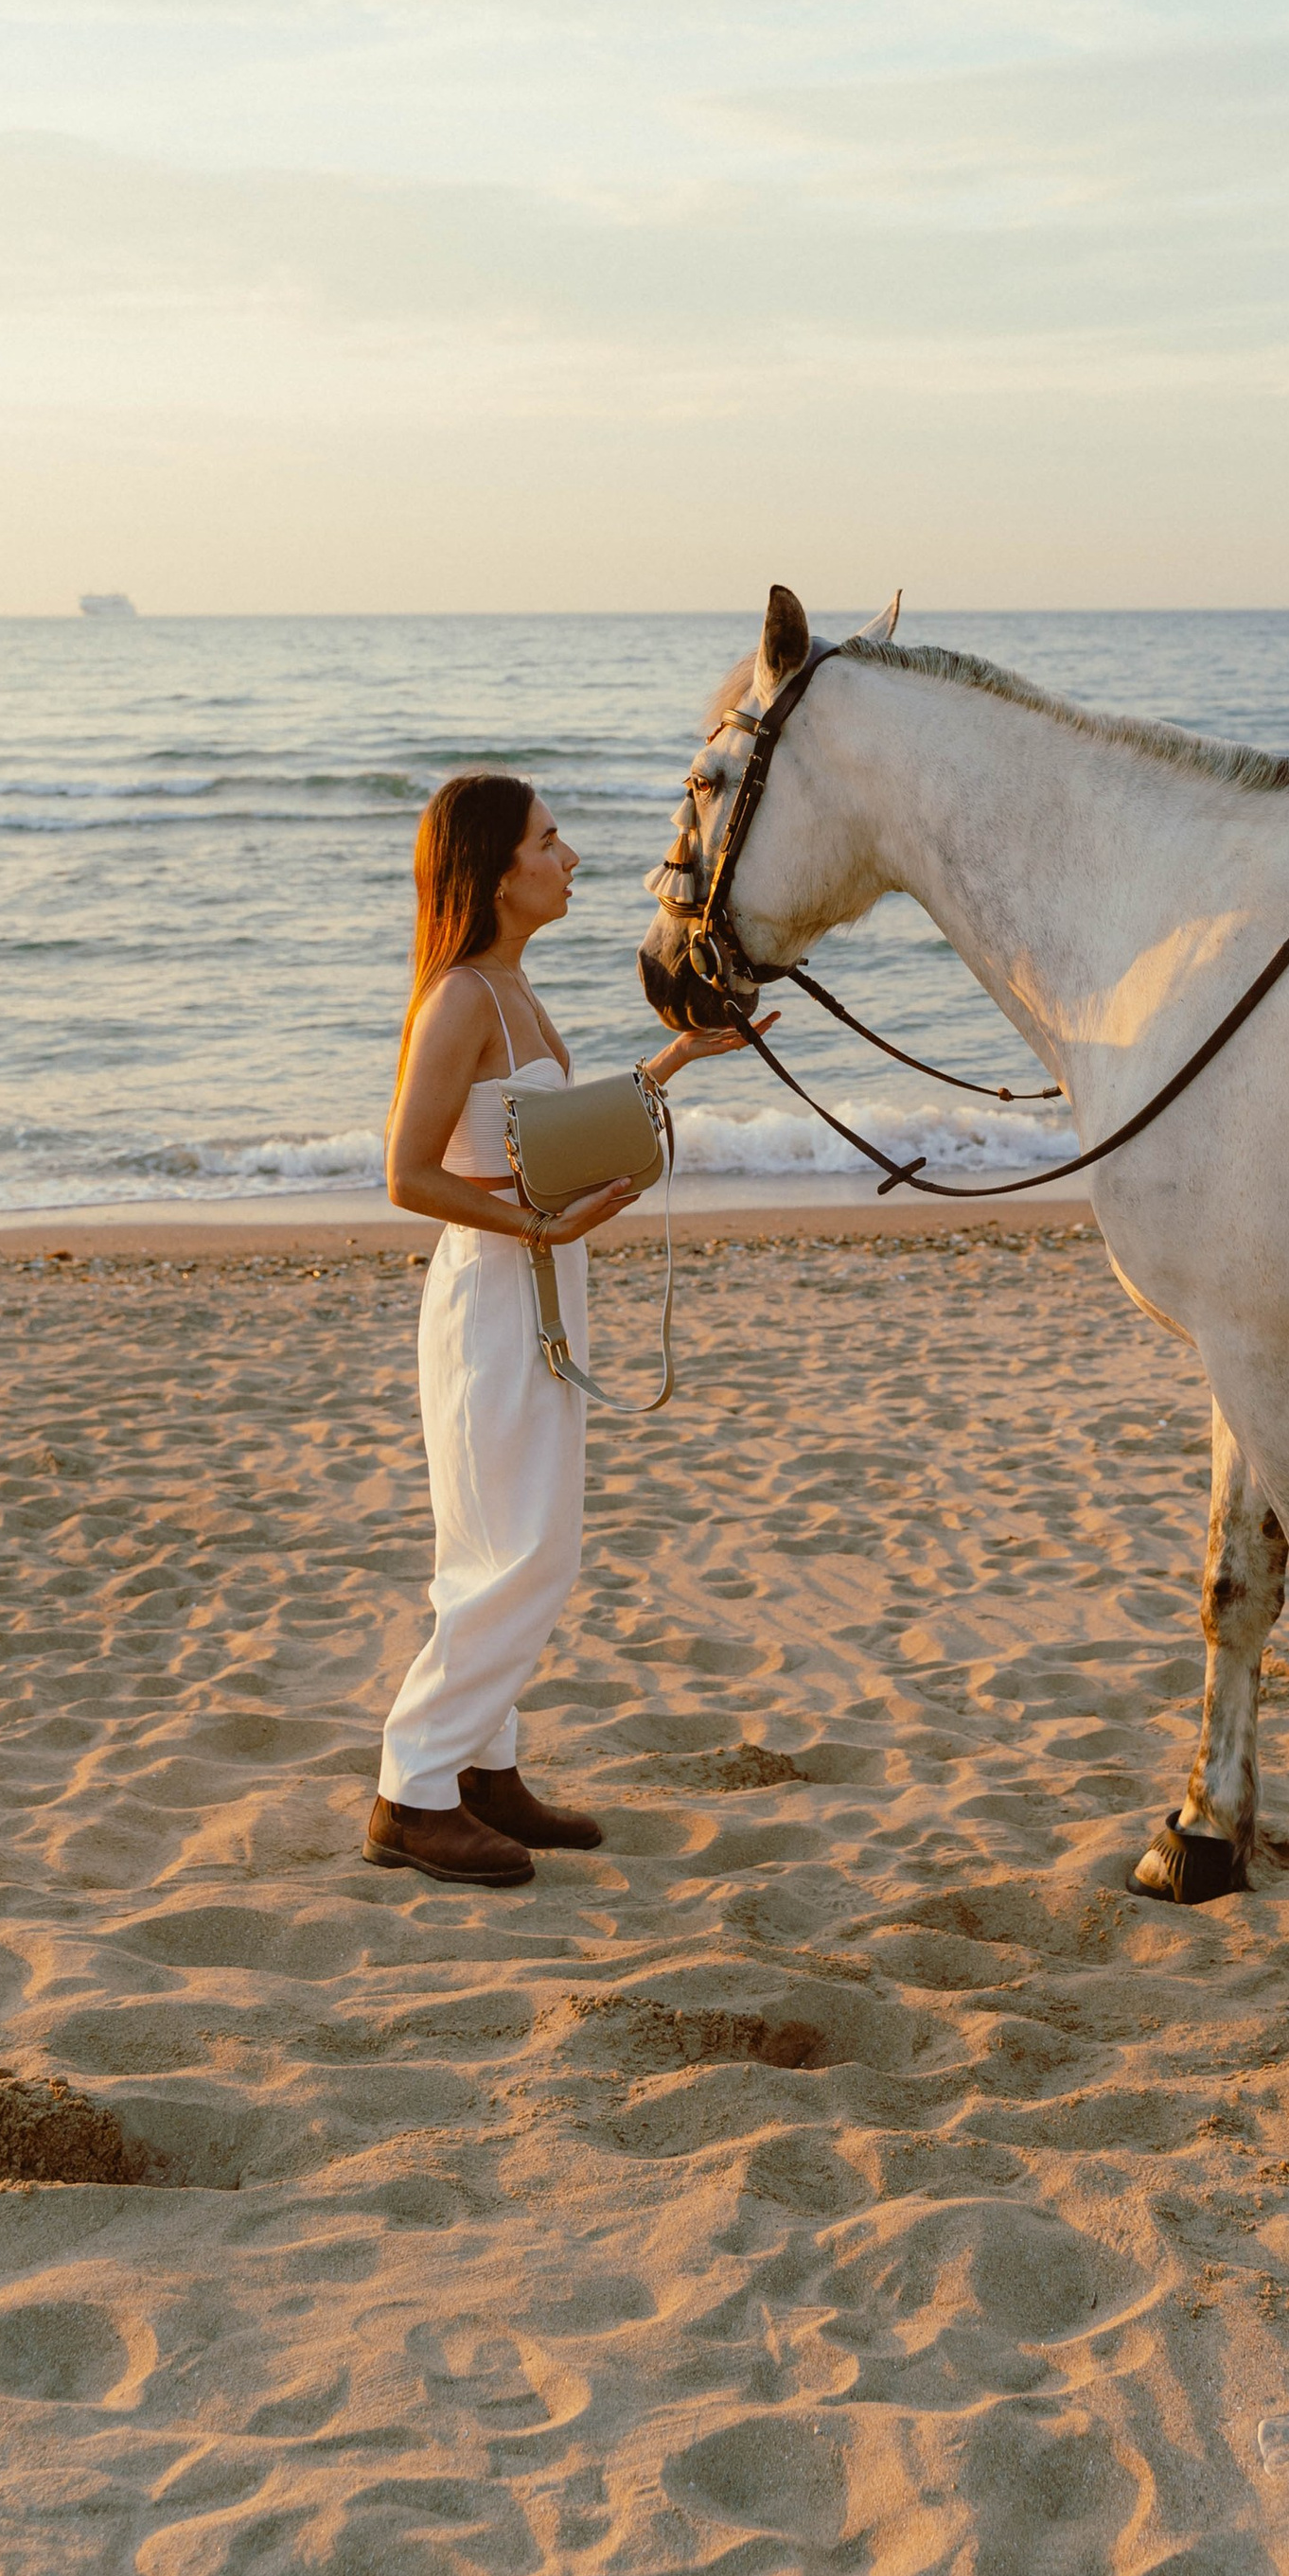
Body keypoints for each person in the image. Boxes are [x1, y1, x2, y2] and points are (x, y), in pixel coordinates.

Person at [368, 769, 760, 1887]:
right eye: (550, 841)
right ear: (496, 875)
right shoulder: (460, 1001)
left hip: (529, 1283)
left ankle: (482, 1774)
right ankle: (410, 1793)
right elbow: (403, 1175)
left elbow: (545, 1134)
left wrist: (678, 1060)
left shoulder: (511, 989)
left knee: (490, 1546)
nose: (573, 857)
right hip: (493, 1294)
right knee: (530, 1551)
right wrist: (532, 1232)